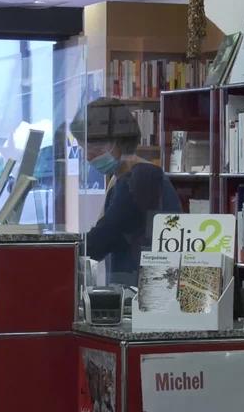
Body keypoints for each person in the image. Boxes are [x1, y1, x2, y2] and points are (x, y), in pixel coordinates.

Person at [73, 98, 181, 286]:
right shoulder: (124, 177)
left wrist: (59, 251)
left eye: (94, 147)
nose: (88, 156)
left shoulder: (141, 179)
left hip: (147, 292)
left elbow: (103, 238)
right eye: (84, 148)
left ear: (119, 141)